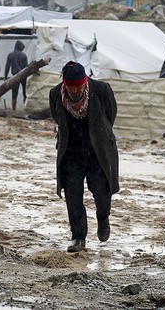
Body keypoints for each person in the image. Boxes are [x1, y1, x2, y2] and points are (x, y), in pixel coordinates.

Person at [48, 61, 119, 253]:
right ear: (64, 85)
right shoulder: (55, 94)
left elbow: (110, 115)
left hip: (98, 153)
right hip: (71, 154)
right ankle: (78, 237)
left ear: (85, 81)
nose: (75, 91)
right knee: (73, 196)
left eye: (78, 86)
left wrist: (100, 136)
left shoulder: (101, 90)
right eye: (70, 87)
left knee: (102, 193)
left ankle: (103, 218)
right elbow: (58, 118)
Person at [4, 40, 28, 111]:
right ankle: (25, 109)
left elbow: (7, 66)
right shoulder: (24, 55)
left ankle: (13, 110)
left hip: (15, 76)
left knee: (14, 94)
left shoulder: (10, 55)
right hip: (23, 75)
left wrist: (5, 76)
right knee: (25, 93)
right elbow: (26, 67)